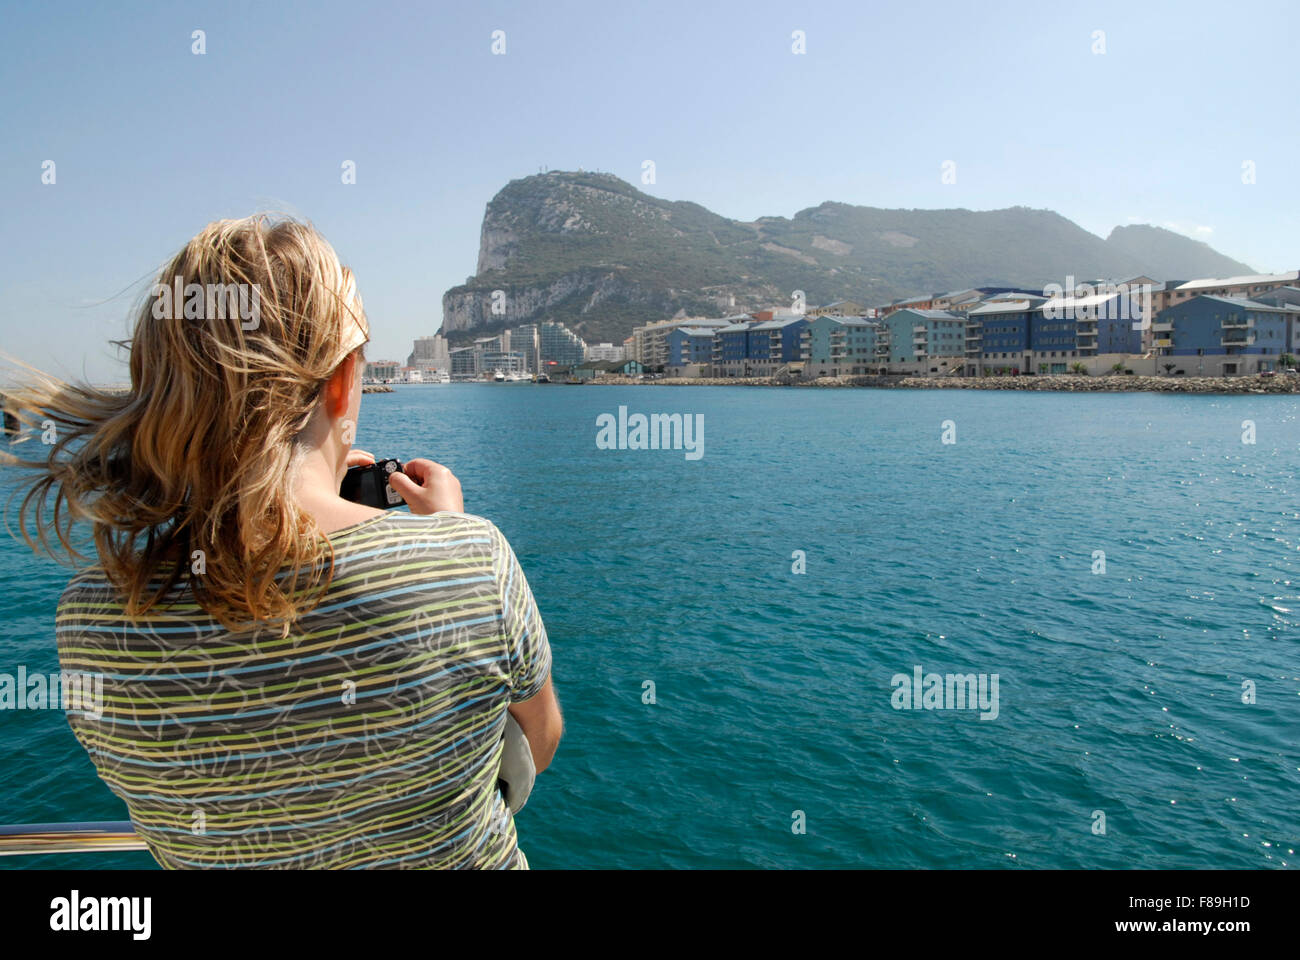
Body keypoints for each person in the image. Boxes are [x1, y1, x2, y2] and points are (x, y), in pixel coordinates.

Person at [2, 215, 561, 868]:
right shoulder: (470, 560)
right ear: (341, 383)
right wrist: (445, 535)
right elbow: (540, 740)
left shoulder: (91, 621)